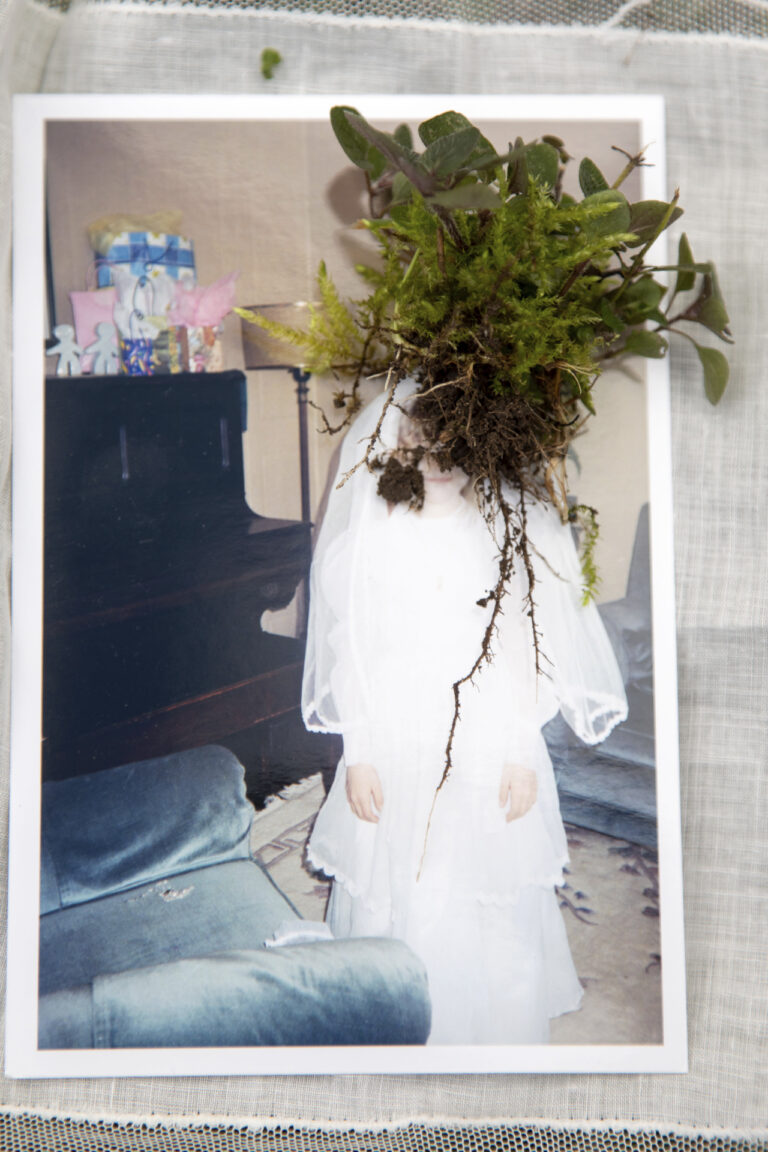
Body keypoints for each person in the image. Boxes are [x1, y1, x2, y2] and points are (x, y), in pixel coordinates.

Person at [302, 378, 628, 1044]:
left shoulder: (500, 533)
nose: (441, 463)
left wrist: (518, 746)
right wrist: (356, 752)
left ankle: (492, 1012)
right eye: (423, 447)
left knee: (486, 869)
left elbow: (522, 647)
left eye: (458, 448)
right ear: (395, 450)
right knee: (396, 867)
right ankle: (393, 1002)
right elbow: (352, 649)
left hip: (483, 725)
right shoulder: (372, 540)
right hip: (394, 727)